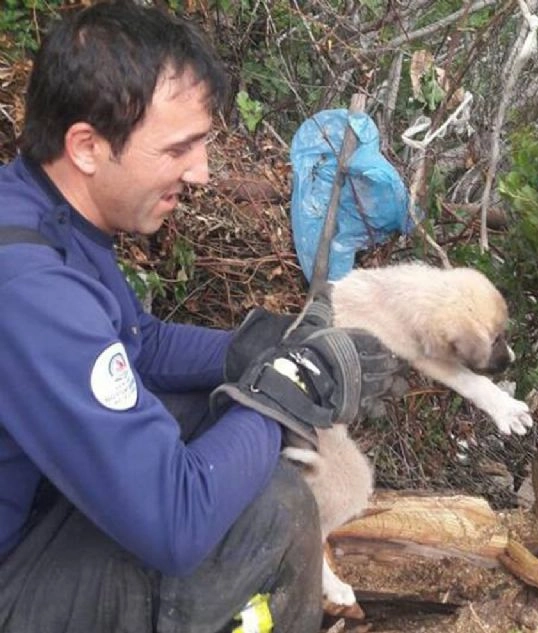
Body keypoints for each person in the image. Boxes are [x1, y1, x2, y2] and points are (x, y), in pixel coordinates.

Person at [0, 2, 404, 633]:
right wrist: (287, 388)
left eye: (203, 143)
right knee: (269, 510)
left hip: (36, 507)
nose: (202, 173)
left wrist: (269, 346)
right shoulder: (29, 288)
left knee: (211, 412)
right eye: (179, 148)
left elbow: (140, 345)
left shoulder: (44, 213)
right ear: (87, 147)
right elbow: (176, 522)